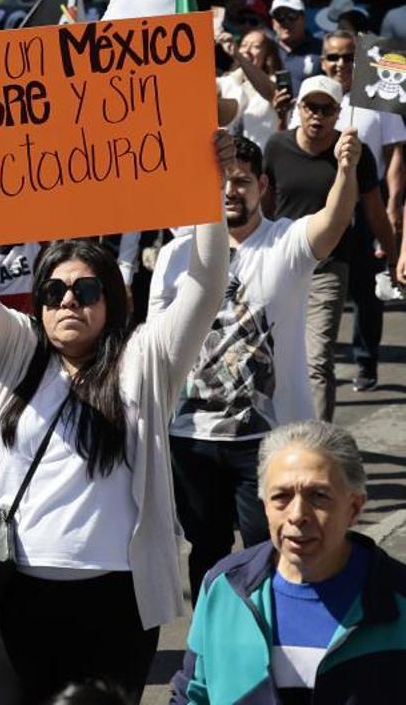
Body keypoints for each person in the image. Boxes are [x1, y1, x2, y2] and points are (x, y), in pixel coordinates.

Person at [0, 132, 233, 702]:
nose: (68, 301)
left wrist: (210, 195)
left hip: (116, 606)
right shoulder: (15, 350)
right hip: (18, 597)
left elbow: (206, 287)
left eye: (86, 289)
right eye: (53, 291)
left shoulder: (145, 358)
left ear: (112, 299)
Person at [149, 132, 363, 602]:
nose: (230, 191)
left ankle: (269, 637)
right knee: (206, 549)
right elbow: (156, 346)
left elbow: (334, 220)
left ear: (262, 185)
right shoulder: (174, 256)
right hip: (192, 437)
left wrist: (346, 171)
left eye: (242, 181)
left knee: (268, 548)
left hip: (267, 442)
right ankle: (213, 635)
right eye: (222, 181)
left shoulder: (284, 242)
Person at [171, 421, 406, 703]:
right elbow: (193, 694)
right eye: (281, 496)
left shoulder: (398, 597)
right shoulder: (224, 588)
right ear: (265, 506)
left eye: (318, 496)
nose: (297, 515)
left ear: (354, 507)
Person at [290, 31, 405, 392]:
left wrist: (392, 205)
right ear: (322, 60)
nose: (339, 64)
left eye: (347, 57)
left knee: (366, 290)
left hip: (366, 208)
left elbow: (396, 154)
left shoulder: (376, 96)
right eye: (332, 57)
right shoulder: (310, 98)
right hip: (316, 215)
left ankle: (366, 359)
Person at [262, 75, 382, 421]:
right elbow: (266, 208)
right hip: (281, 264)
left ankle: (318, 448)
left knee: (316, 359)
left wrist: (394, 253)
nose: (317, 115)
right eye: (311, 107)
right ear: (299, 108)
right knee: (275, 356)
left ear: (339, 112)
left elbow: (372, 209)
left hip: (328, 266)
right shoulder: (276, 146)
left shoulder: (354, 153)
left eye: (326, 109)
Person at [217, 30, 282, 149]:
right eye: (243, 45)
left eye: (255, 47)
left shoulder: (275, 82)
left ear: (267, 54)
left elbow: (271, 93)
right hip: (228, 160)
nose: (247, 50)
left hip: (261, 161)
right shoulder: (226, 82)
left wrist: (239, 56)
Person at [270, 0, 322, 98]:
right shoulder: (266, 49)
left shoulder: (321, 47)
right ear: (273, 22)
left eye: (291, 16)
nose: (286, 21)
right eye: (279, 17)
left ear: (303, 18)